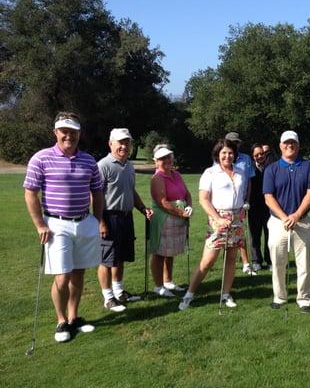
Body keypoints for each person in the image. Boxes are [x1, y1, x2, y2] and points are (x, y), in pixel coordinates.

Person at [23, 111, 103, 343]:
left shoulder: (88, 160)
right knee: (62, 277)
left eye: (73, 132)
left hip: (83, 221)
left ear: (79, 133)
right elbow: (30, 193)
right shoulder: (41, 158)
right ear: (56, 132)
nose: (69, 136)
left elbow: (97, 192)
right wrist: (39, 225)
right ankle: (61, 321)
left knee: (78, 274)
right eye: (64, 131)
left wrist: (96, 220)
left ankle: (73, 317)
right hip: (56, 224)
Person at [179, 139, 247, 310]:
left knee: (231, 259)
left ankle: (226, 294)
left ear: (234, 155)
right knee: (208, 260)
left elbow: (241, 195)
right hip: (218, 219)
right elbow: (203, 199)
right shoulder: (210, 173)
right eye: (224, 152)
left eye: (230, 152)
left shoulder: (240, 172)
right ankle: (189, 295)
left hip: (237, 218)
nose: (227, 156)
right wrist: (217, 218)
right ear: (217, 154)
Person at [97, 128, 153, 312]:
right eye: (120, 142)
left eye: (127, 142)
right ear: (110, 143)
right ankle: (108, 297)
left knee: (120, 257)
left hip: (126, 217)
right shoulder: (103, 165)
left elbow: (131, 191)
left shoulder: (129, 166)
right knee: (107, 259)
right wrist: (100, 222)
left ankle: (119, 292)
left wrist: (143, 209)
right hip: (108, 217)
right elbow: (95, 196)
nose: (124, 146)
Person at [263, 131, 310, 313]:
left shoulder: (308, 166)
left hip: (302, 222)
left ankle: (304, 298)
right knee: (278, 263)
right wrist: (286, 217)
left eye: (293, 142)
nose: (289, 145)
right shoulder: (272, 169)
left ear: (298, 145)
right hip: (278, 222)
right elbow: (268, 197)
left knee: (303, 264)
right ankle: (280, 296)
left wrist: (296, 215)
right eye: (286, 142)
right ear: (280, 146)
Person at [148, 144, 193, 297]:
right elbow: (163, 202)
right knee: (160, 253)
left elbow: (187, 194)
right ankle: (159, 286)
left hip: (177, 217)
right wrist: (182, 213)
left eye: (168, 157)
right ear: (156, 161)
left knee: (169, 252)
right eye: (162, 158)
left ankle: (168, 281)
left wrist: (189, 207)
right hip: (163, 219)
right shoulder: (157, 178)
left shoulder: (176, 174)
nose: (166, 160)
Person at [225, 132, 257, 275]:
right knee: (223, 235)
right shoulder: (222, 158)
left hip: (241, 203)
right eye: (232, 142)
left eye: (236, 142)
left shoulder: (246, 159)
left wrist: (247, 200)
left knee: (240, 233)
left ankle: (245, 263)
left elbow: (249, 181)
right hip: (225, 204)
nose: (235, 145)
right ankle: (227, 262)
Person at [249, 144, 272, 271]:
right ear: (253, 157)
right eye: (256, 155)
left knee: (269, 235)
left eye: (261, 154)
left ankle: (270, 261)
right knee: (255, 235)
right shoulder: (250, 169)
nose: (259, 156)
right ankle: (256, 260)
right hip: (254, 207)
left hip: (269, 207)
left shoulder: (271, 167)